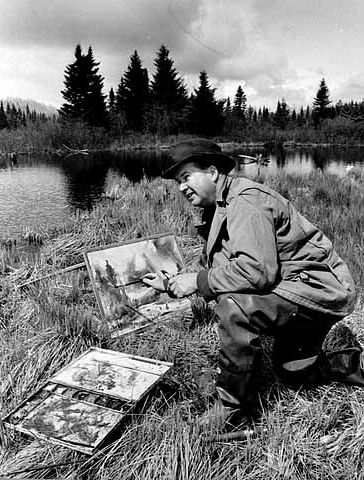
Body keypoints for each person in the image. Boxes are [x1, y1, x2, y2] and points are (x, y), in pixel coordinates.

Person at [143, 138, 360, 437]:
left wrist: (197, 281)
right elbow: (229, 270)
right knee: (292, 371)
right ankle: (345, 363)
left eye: (186, 177)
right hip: (299, 289)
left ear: (213, 172)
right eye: (179, 182)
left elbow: (257, 273)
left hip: (316, 291)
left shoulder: (245, 202)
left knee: (235, 308)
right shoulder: (221, 205)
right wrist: (171, 284)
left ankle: (234, 412)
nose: (181, 187)